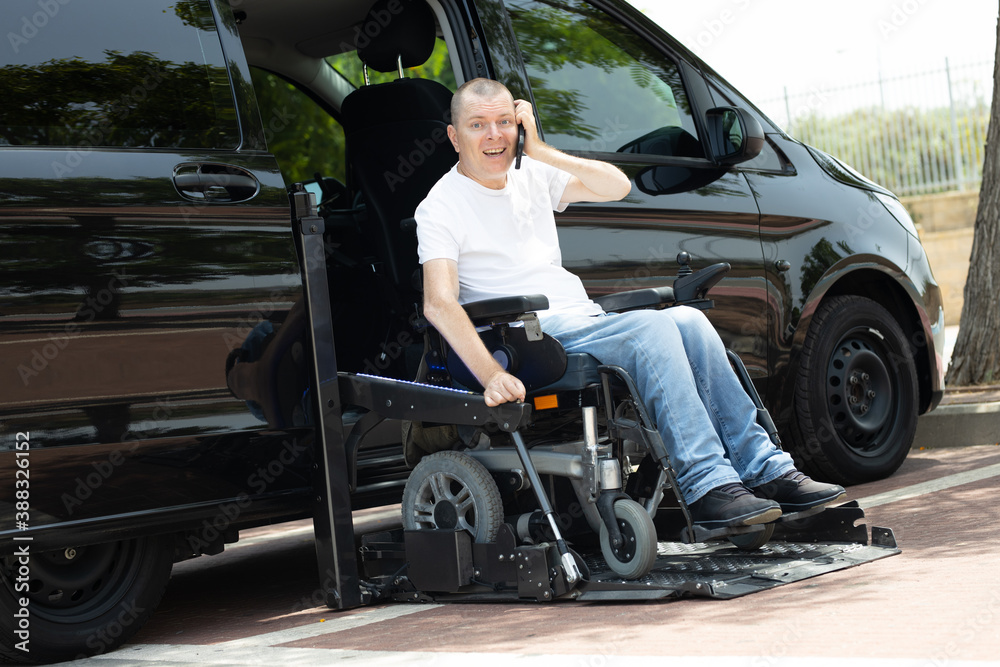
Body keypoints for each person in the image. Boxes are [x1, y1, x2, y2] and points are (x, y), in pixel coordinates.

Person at [415, 78, 845, 529]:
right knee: (652, 330)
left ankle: (766, 470)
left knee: (689, 321)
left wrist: (539, 150)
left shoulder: (531, 172)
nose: (494, 135)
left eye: (505, 122)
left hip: (579, 319)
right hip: (522, 335)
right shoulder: (441, 205)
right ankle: (706, 486)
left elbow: (616, 186)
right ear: (454, 136)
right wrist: (492, 375)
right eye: (478, 125)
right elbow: (439, 303)